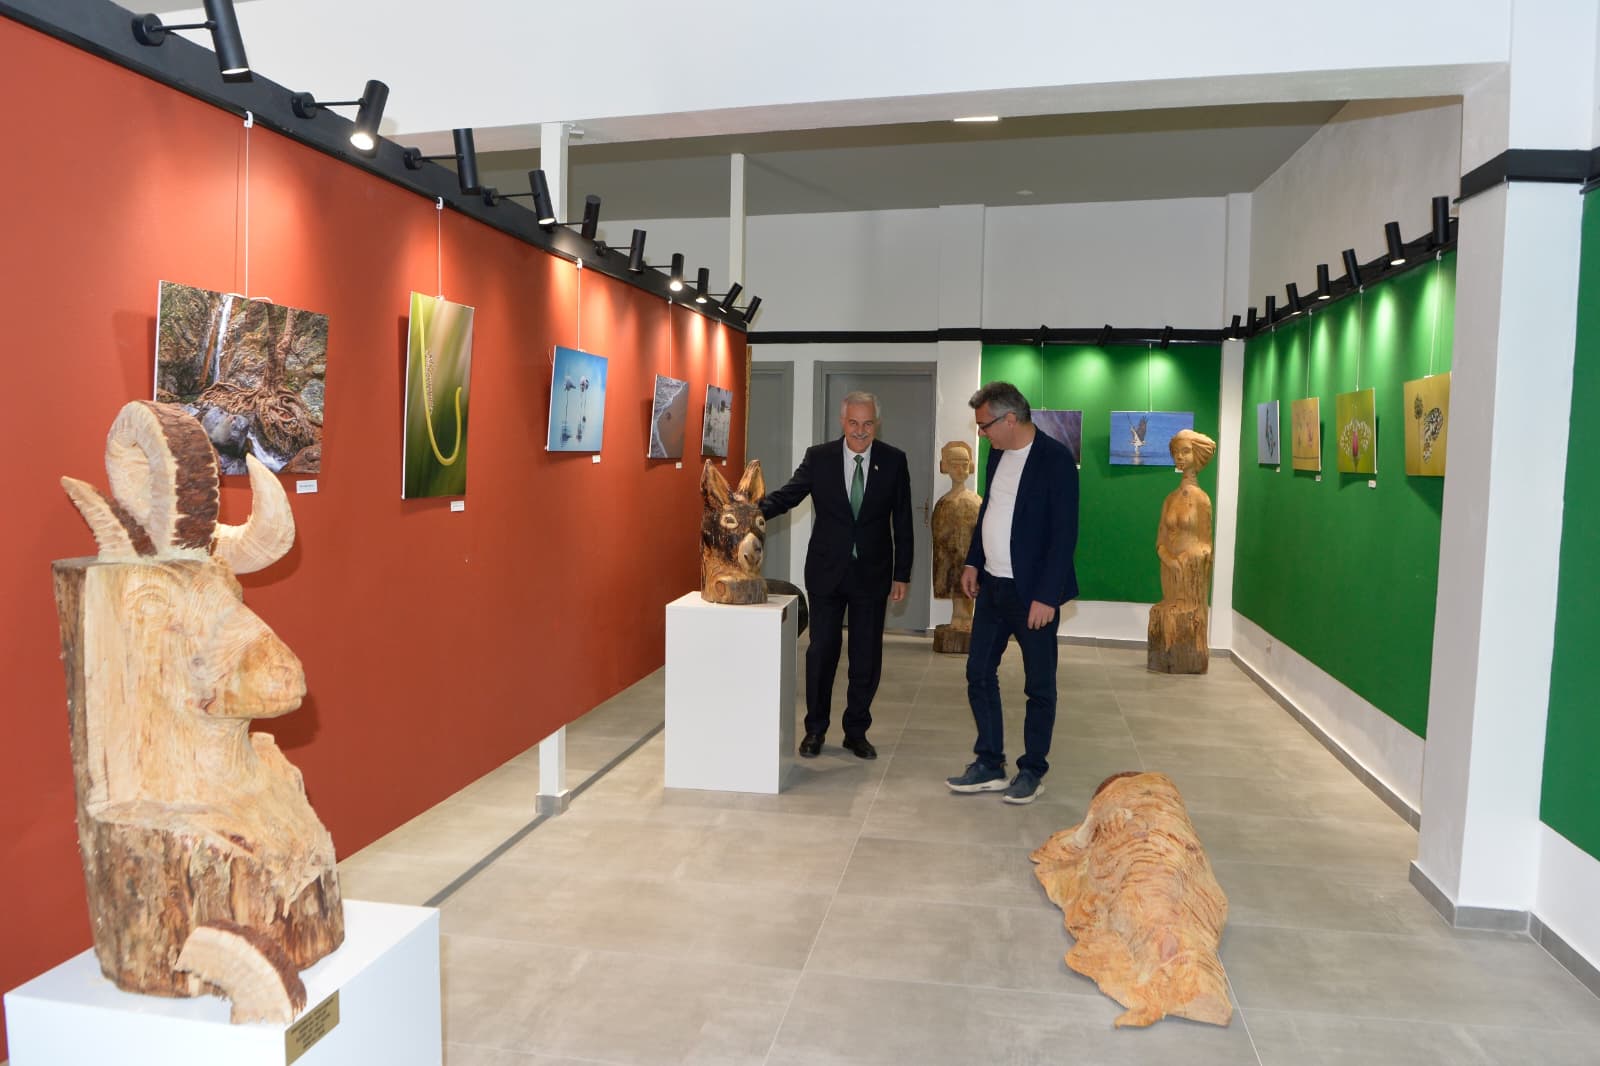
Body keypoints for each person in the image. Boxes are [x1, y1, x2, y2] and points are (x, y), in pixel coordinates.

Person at [945, 381, 1079, 804]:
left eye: (984, 425)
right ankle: (989, 763)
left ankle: (1032, 769)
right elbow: (991, 510)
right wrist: (973, 560)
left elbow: (1064, 534)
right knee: (978, 672)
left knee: (1039, 685)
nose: (980, 433)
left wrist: (1047, 596)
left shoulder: (1055, 459)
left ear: (1009, 419)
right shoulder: (997, 454)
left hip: (1033, 594)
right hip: (992, 587)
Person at [761, 391, 913, 759]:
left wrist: (902, 573)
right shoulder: (820, 458)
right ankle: (815, 730)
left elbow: (903, 521)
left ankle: (856, 732)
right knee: (821, 653)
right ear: (842, 422)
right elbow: (788, 496)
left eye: (868, 424)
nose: (860, 431)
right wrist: (750, 510)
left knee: (866, 658)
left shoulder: (893, 460)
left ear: (877, 424)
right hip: (826, 573)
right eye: (853, 423)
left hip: (872, 574)